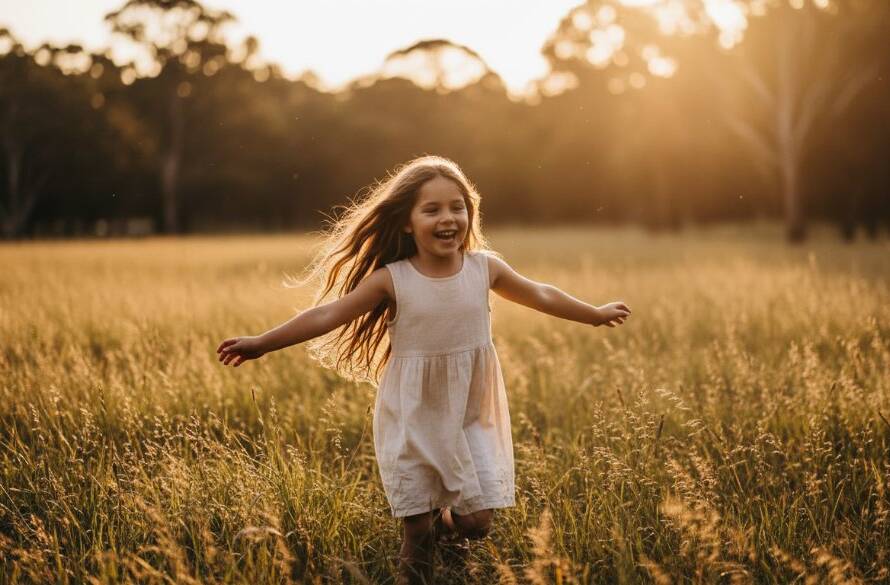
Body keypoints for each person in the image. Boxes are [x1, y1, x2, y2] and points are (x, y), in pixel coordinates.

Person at [216, 155, 631, 584]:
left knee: (477, 524)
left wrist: (594, 314)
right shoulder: (392, 279)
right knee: (415, 527)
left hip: (470, 412)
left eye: (457, 207)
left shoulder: (483, 268)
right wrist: (262, 343)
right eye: (431, 209)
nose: (448, 218)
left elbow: (540, 293)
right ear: (407, 222)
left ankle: (445, 533)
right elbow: (327, 316)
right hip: (413, 413)